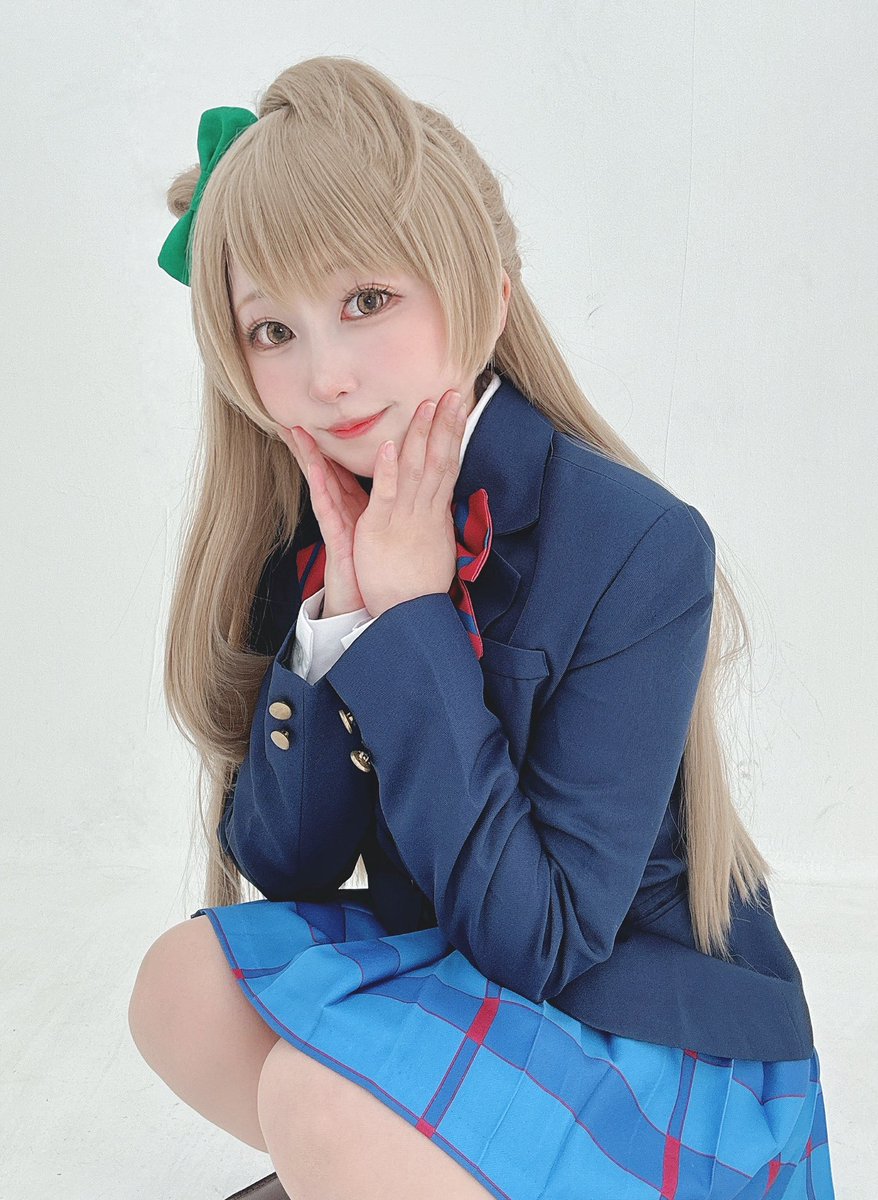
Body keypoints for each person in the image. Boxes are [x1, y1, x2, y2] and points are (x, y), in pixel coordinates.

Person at [127, 55, 836, 1200]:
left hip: (651, 1027)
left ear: (482, 295)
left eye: (365, 302)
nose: (326, 376)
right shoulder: (314, 524)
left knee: (316, 1097)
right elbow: (286, 864)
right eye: (272, 330)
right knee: (181, 985)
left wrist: (411, 619)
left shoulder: (636, 543)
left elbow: (540, 942)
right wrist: (342, 616)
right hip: (467, 969)